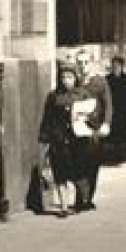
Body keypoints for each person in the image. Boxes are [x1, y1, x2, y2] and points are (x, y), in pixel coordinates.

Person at [38, 64, 81, 217]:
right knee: (59, 173)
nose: (66, 81)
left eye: (69, 77)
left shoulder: (81, 95)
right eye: (63, 77)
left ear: (76, 78)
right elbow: (47, 117)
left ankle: (77, 202)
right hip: (58, 140)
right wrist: (45, 137)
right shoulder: (53, 96)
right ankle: (64, 207)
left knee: (76, 172)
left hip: (77, 140)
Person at [72, 49, 111, 210]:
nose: (83, 66)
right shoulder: (73, 82)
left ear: (92, 63)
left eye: (86, 62)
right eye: (80, 63)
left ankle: (86, 199)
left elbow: (108, 104)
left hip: (94, 131)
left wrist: (106, 123)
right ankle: (82, 197)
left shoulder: (99, 82)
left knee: (92, 165)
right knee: (77, 164)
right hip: (76, 130)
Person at [108, 56, 126, 145]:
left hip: (125, 108)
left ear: (121, 66)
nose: (115, 68)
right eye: (113, 66)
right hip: (113, 108)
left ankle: (125, 144)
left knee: (125, 127)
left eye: (117, 65)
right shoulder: (108, 79)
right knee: (115, 129)